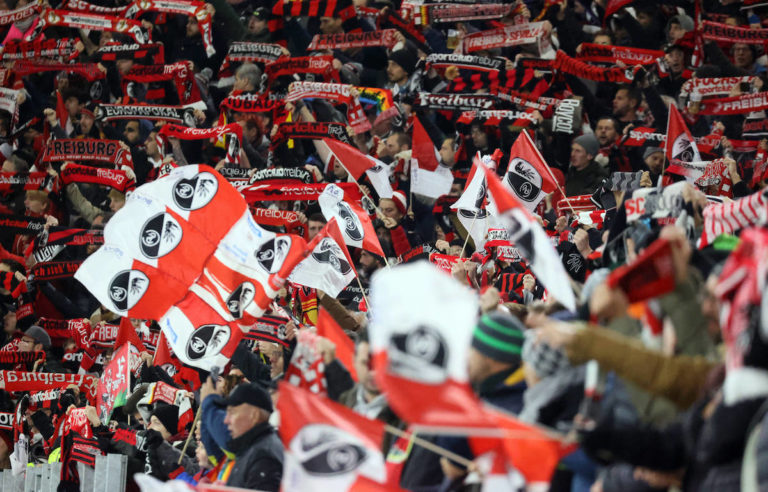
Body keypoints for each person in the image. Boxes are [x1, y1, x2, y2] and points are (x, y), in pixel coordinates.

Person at [218, 382, 283, 491]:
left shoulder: (263, 456)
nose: (226, 420)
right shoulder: (252, 448)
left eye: (232, 412)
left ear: (254, 415)